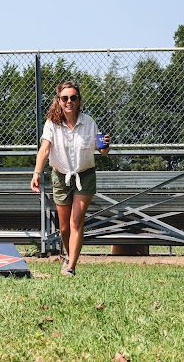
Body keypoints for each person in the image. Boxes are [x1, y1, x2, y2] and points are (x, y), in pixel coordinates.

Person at [30, 80, 110, 276]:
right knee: (64, 227)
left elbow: (102, 151)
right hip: (60, 176)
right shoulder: (52, 124)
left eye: (73, 98)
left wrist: (105, 146)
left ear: (79, 100)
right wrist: (37, 173)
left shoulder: (89, 122)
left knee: (76, 221)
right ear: (58, 100)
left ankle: (71, 266)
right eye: (65, 98)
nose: (69, 101)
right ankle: (68, 255)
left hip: (85, 175)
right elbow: (45, 149)